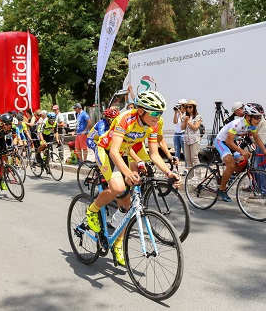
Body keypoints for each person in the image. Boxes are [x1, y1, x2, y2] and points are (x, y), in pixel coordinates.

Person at [86, 91, 180, 266]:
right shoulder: (126, 118)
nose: (157, 117)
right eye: (154, 112)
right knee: (118, 187)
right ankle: (92, 210)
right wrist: (127, 173)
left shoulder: (155, 124)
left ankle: (118, 243)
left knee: (128, 205)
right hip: (107, 151)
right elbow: (113, 151)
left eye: (160, 113)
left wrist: (168, 172)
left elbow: (154, 154)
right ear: (141, 110)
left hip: (127, 152)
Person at [214, 103, 266, 202]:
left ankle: (226, 176)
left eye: (260, 117)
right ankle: (221, 190)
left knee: (244, 161)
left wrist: (265, 151)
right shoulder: (237, 124)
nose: (259, 120)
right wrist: (242, 151)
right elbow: (228, 141)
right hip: (221, 141)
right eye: (257, 117)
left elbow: (257, 138)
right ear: (248, 117)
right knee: (231, 165)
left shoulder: (251, 126)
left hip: (231, 142)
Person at [243, 103, 266, 198]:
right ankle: (253, 186)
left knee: (259, 167)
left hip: (265, 142)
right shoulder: (258, 115)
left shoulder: (254, 119)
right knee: (253, 164)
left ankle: (263, 192)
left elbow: (252, 134)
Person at [181, 100, 203, 173]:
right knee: (188, 158)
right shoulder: (185, 116)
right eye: (187, 107)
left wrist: (188, 122)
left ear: (194, 107)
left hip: (194, 139)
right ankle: (190, 175)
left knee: (194, 157)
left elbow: (195, 127)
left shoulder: (197, 117)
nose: (188, 108)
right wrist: (185, 121)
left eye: (190, 107)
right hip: (186, 139)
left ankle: (198, 174)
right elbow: (182, 128)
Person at [173, 99, 187, 165]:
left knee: (185, 152)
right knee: (176, 152)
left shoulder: (186, 114)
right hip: (177, 133)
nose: (179, 107)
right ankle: (176, 168)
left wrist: (181, 113)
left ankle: (187, 167)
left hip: (183, 133)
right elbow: (175, 122)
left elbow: (183, 121)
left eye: (180, 105)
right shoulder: (178, 113)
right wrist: (175, 113)